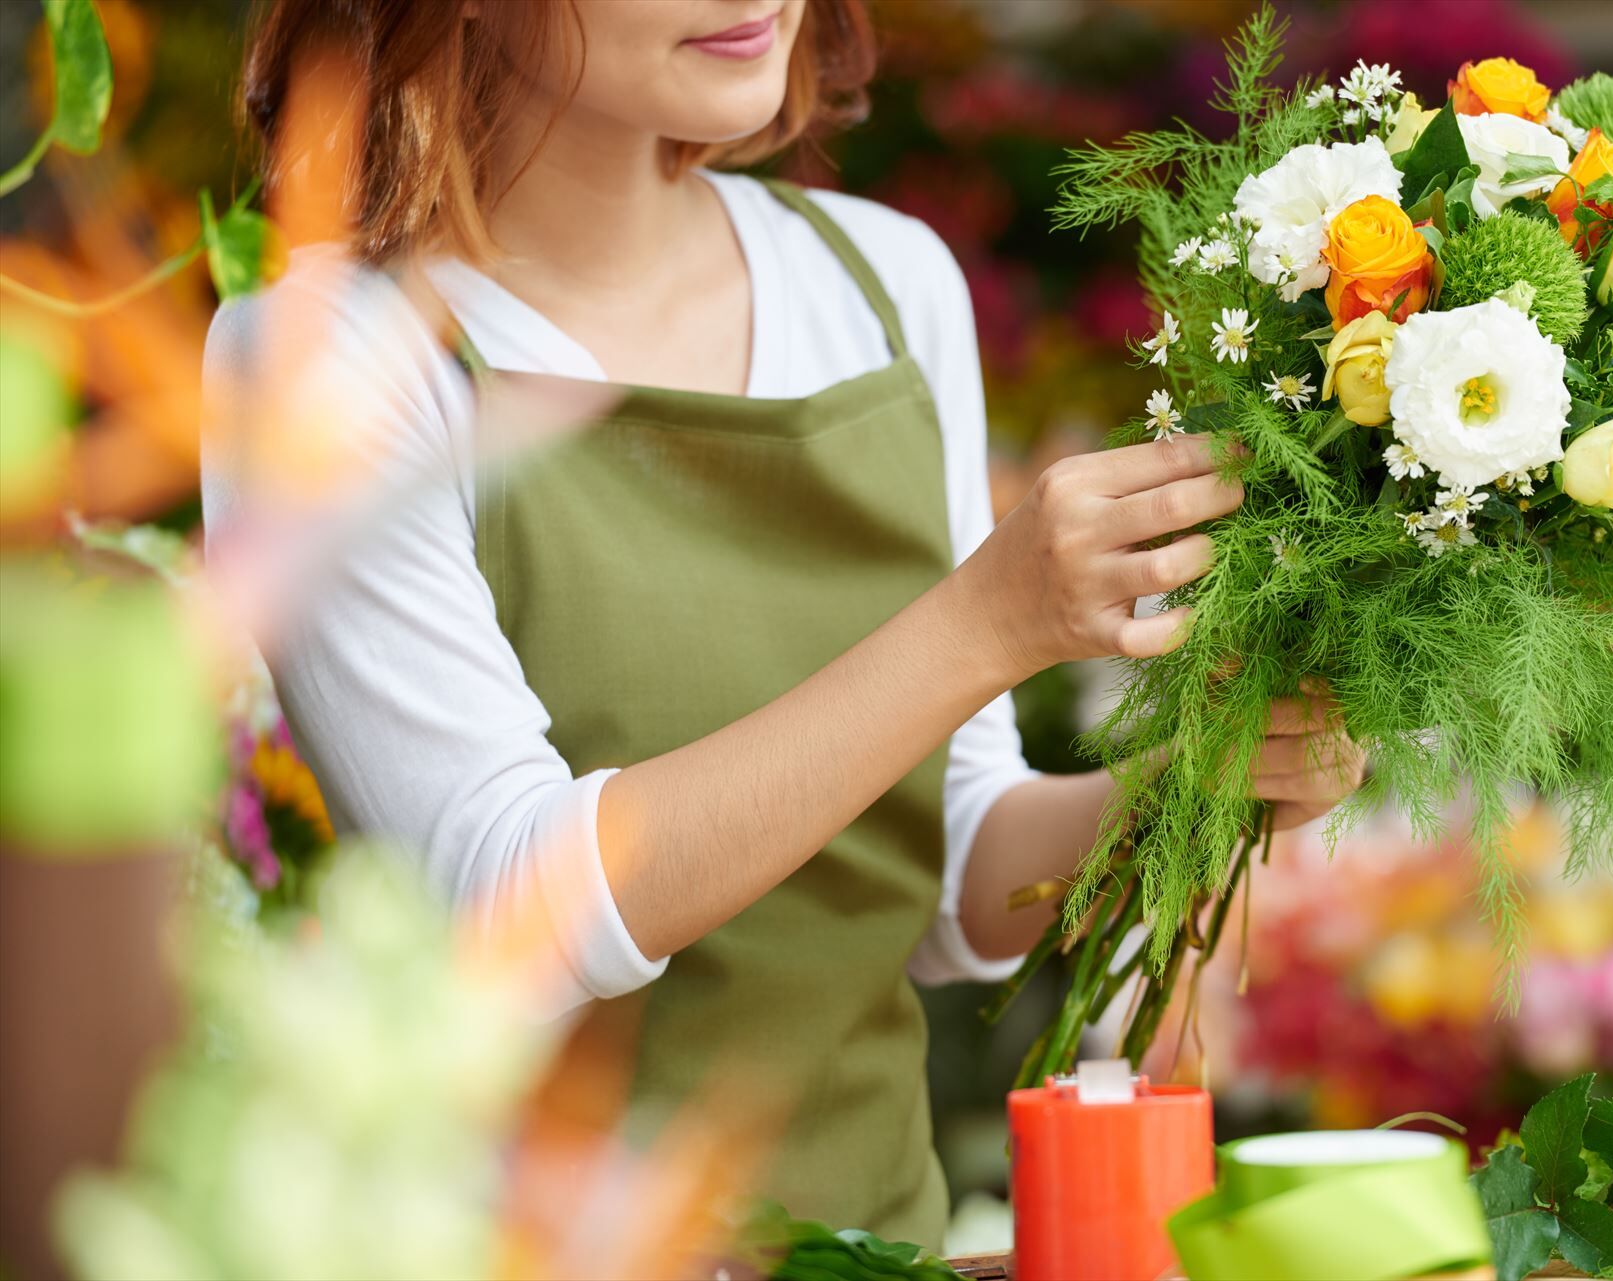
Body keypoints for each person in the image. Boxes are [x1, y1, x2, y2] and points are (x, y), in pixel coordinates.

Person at [204, 0, 1364, 1245]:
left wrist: (1187, 791)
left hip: (885, 1249)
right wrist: (984, 625)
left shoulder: (881, 284)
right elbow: (507, 909)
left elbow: (955, 866)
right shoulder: (334, 362)